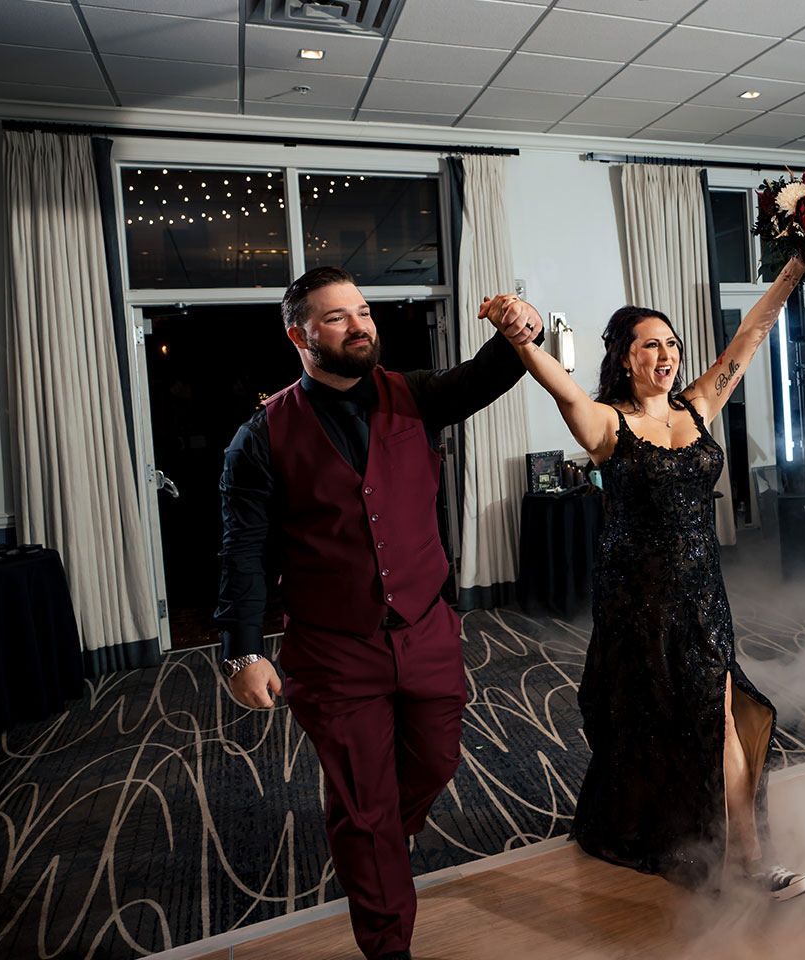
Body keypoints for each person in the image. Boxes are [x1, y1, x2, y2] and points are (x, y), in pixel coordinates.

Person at [214, 266, 542, 960]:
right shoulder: (261, 437)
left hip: (426, 630)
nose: (359, 324)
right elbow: (241, 553)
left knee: (435, 764)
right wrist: (243, 652)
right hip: (333, 653)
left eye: (362, 310)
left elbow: (484, 376)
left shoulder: (414, 396)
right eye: (336, 317)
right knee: (364, 811)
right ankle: (388, 943)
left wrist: (521, 328)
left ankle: (378, 833)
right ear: (297, 333)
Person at [478, 257, 805, 901]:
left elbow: (750, 334)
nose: (665, 354)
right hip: (640, 599)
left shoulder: (700, 402)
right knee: (678, 719)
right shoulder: (606, 422)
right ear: (625, 359)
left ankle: (741, 855)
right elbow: (561, 387)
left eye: (671, 344)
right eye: (649, 345)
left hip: (703, 596)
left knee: (723, 715)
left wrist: (796, 268)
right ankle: (745, 862)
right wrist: (521, 337)